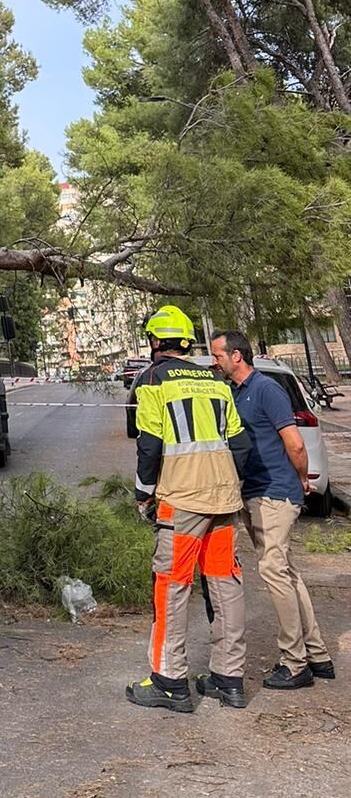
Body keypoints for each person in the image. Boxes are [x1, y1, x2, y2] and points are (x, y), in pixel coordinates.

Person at [127, 305, 252, 713]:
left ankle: (169, 680)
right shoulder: (214, 379)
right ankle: (229, 678)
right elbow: (241, 444)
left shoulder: (153, 378)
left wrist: (143, 492)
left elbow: (149, 443)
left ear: (155, 341)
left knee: (172, 586)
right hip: (223, 498)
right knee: (225, 584)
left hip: (181, 500)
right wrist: (230, 484)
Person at [210, 330, 335, 689]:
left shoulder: (267, 390)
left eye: (218, 355)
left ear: (237, 356)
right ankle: (318, 654)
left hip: (275, 493)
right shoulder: (234, 393)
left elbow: (295, 444)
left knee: (273, 570)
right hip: (254, 491)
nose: (215, 361)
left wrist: (300, 480)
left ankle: (295, 663)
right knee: (287, 572)